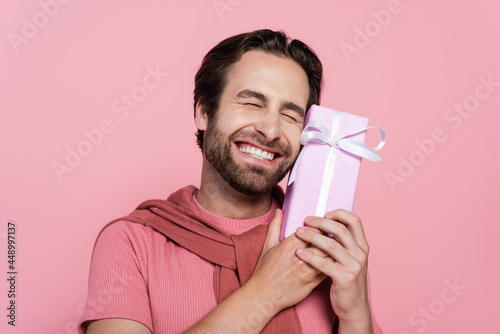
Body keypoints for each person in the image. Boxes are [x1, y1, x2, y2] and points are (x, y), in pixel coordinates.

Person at [78, 29, 383, 334]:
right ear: (203, 112)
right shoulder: (131, 243)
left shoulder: (325, 242)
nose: (271, 130)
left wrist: (356, 315)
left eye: (290, 116)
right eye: (252, 103)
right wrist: (267, 294)